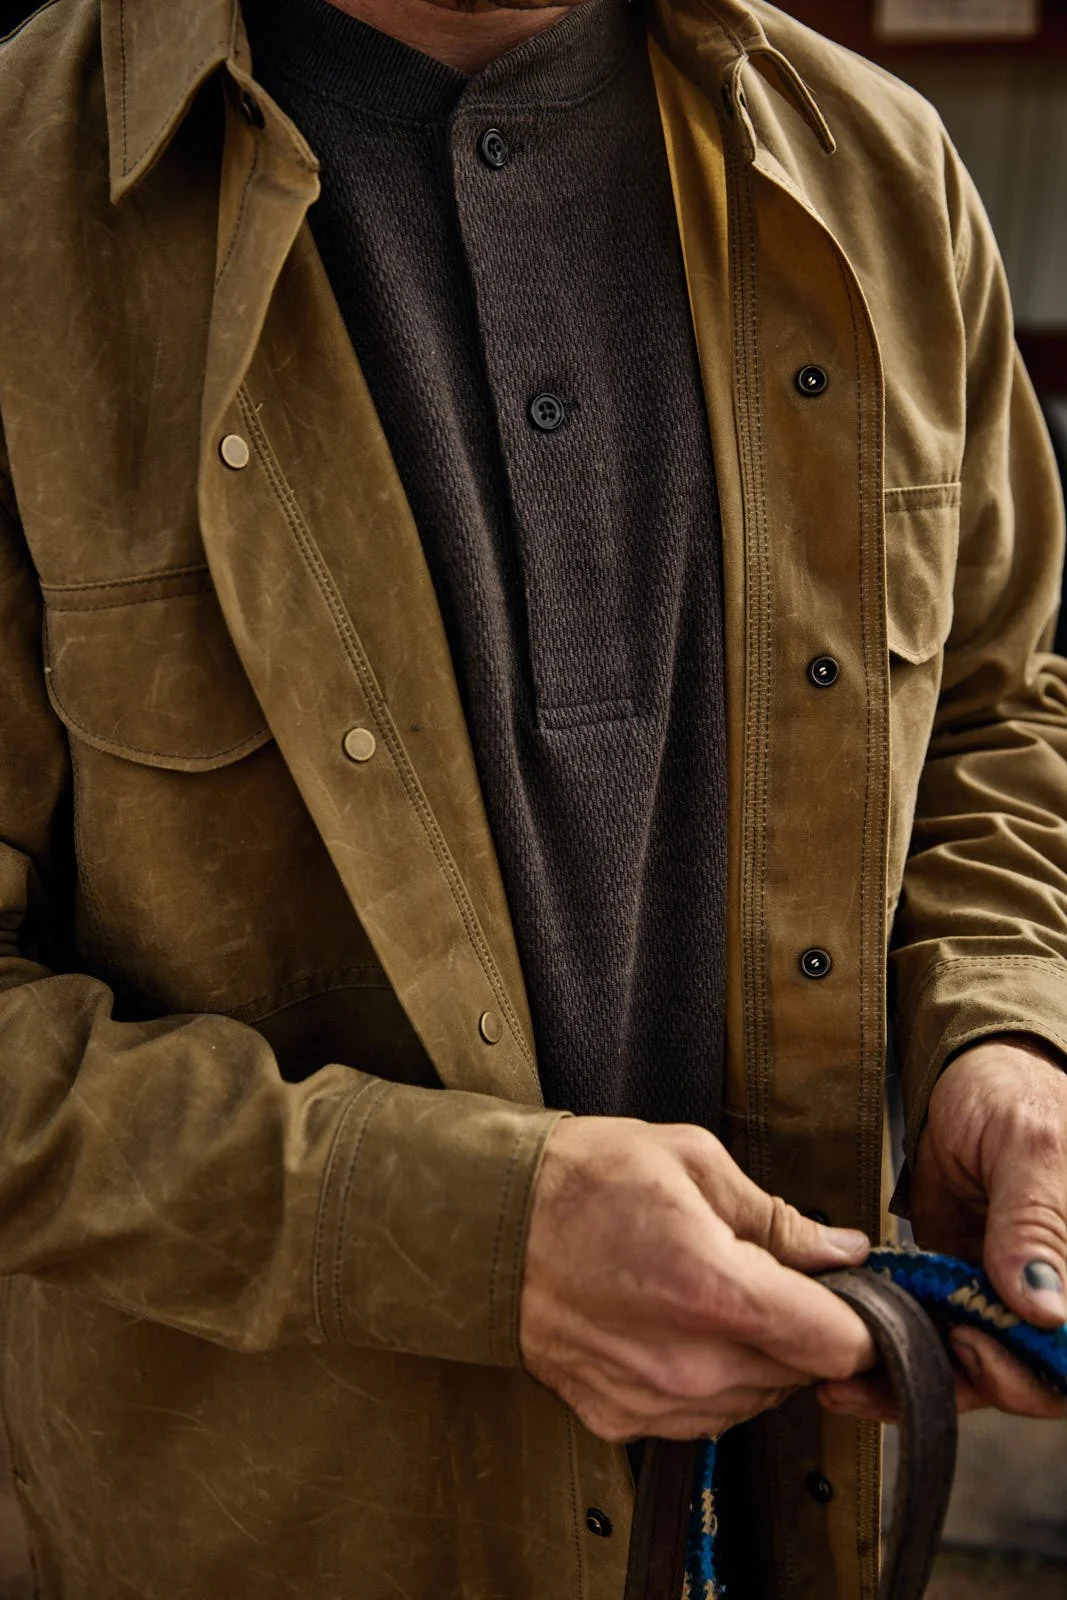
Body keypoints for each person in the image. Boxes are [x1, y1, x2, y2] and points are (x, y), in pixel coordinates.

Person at [0, 0, 1065, 1594]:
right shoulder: (26, 205)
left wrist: (1001, 1027)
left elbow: (991, 705)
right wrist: (463, 1233)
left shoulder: (878, 173)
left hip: (798, 1517)